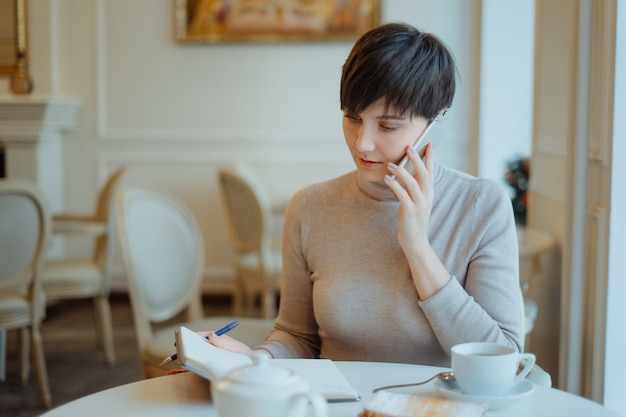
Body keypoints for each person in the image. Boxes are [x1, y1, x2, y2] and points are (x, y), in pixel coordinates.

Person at [209, 22, 523, 367]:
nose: (362, 143)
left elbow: (504, 358)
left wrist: (417, 247)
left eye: (387, 126)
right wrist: (255, 357)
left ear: (435, 122)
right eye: (352, 118)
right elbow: (297, 336)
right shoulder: (310, 207)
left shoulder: (481, 206)